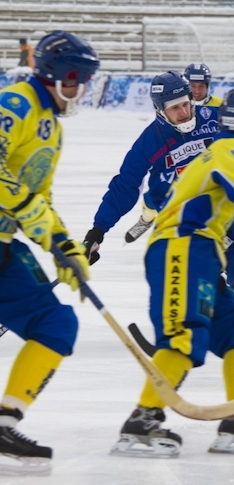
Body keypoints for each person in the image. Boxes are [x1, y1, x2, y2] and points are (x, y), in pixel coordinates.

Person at [83, 70, 234, 342]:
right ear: (159, 111)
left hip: (232, 202)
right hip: (197, 219)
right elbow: (125, 185)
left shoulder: (215, 119)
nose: (183, 112)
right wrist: (98, 231)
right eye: (174, 108)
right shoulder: (150, 142)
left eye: (186, 103)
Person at [111, 88, 234, 458]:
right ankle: (142, 422)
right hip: (182, 248)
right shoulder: (230, 149)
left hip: (200, 254)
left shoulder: (221, 149)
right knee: (184, 335)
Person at [0, 30, 98, 475]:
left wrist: (65, 246)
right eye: (82, 79)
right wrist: (26, 208)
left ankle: (4, 421)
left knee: (57, 322)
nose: (85, 89)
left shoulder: (52, 130)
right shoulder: (15, 103)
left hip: (3, 245)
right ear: (61, 75)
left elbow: (40, 200)